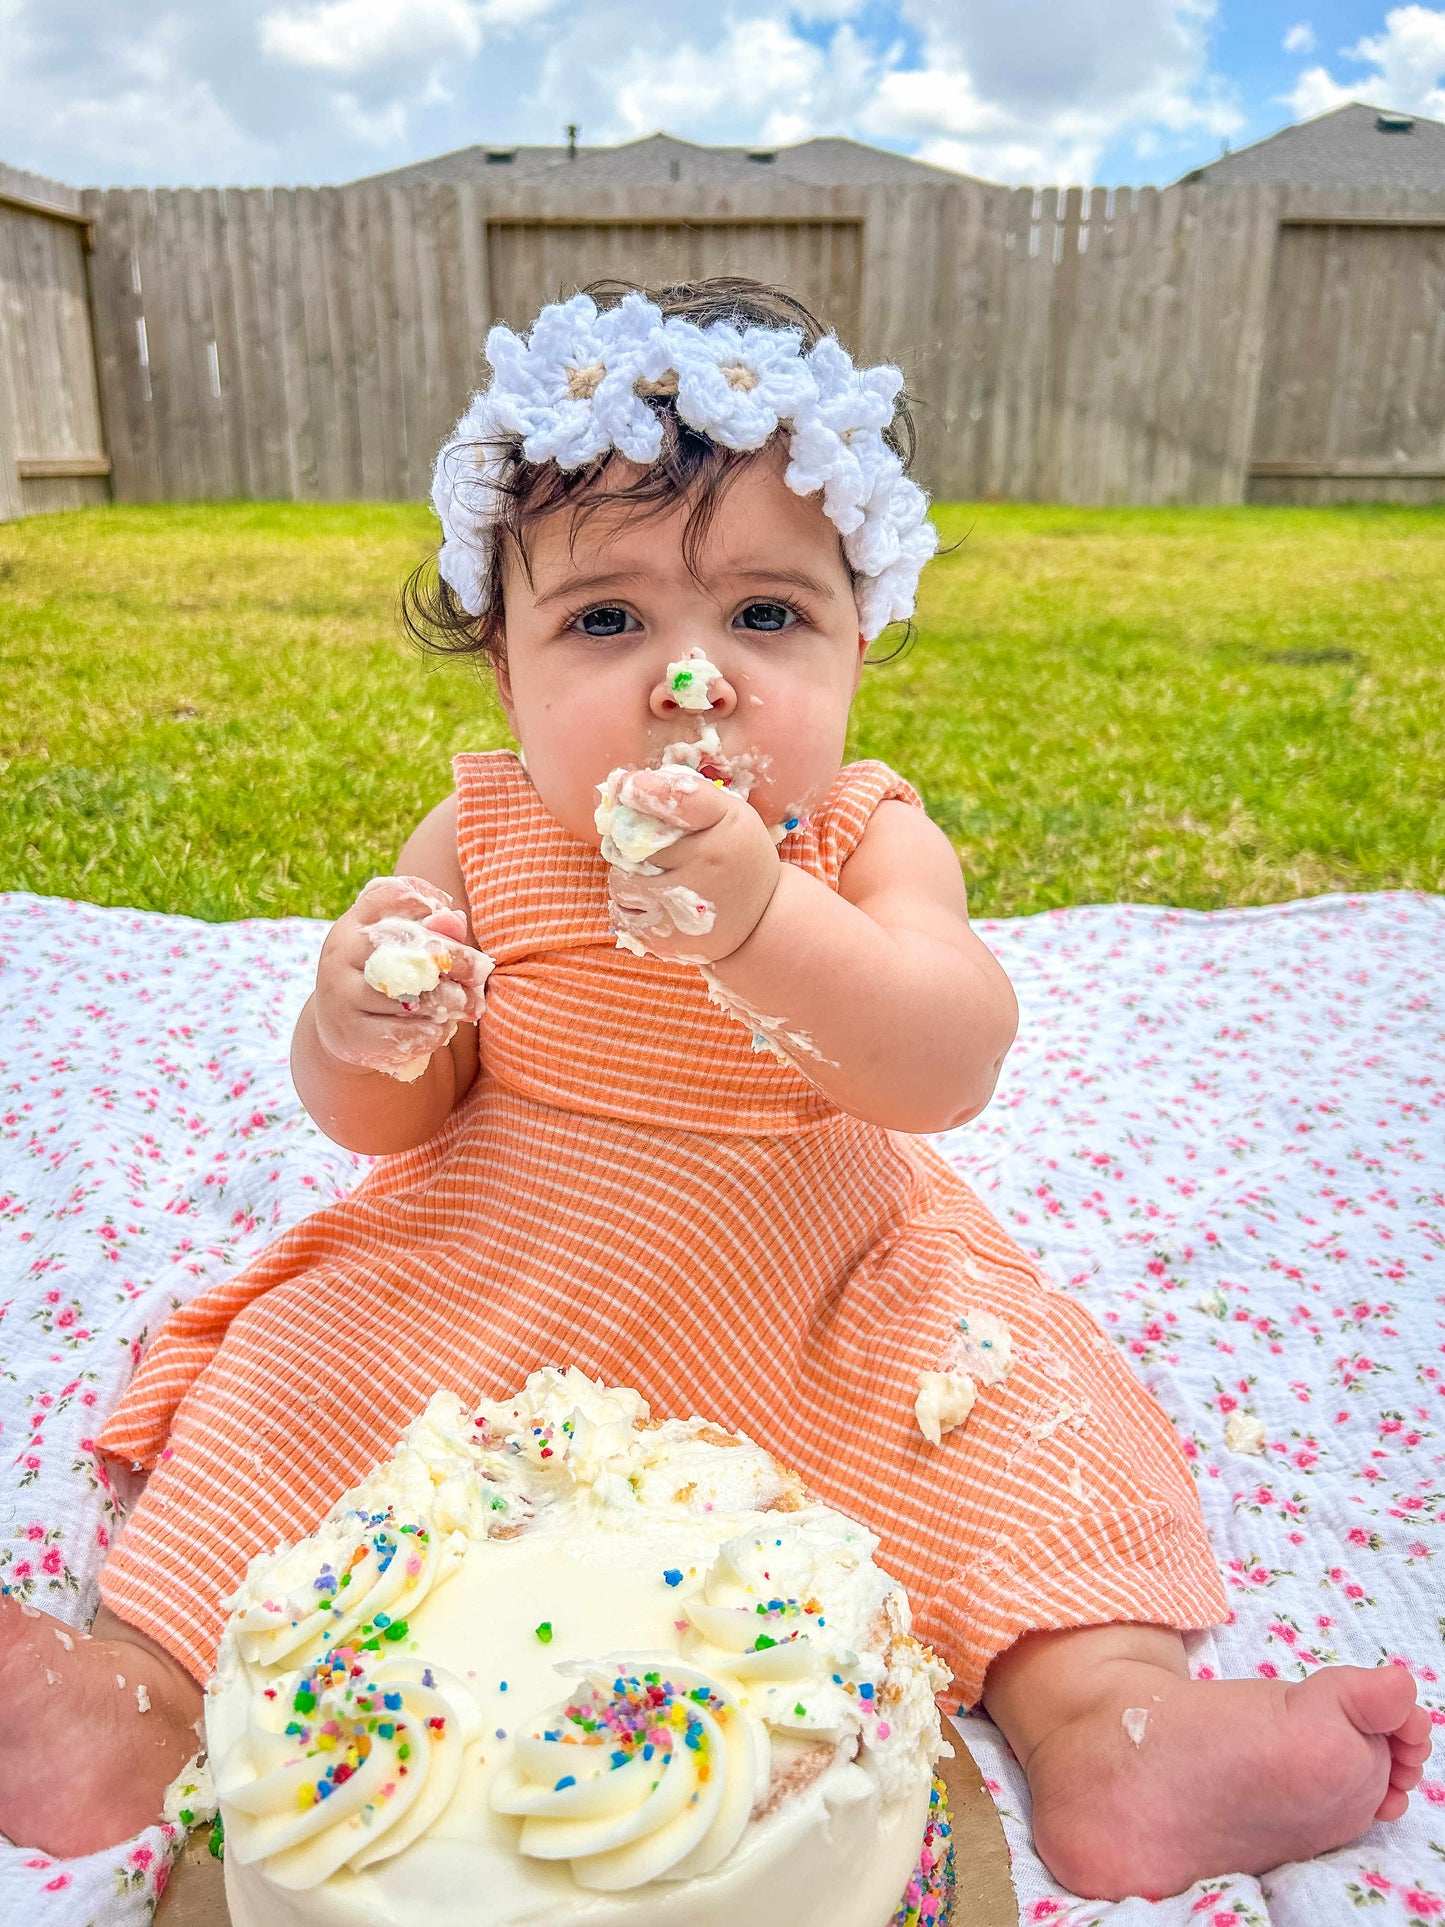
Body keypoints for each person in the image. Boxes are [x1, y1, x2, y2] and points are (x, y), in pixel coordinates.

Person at [0, 278, 1429, 1902]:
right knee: (289, 1396)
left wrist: (768, 923)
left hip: (825, 1288)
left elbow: (945, 1057)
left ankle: (1116, 1729)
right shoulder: (475, 840)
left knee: (1029, 1451)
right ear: (505, 678)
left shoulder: (865, 835)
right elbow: (389, 1121)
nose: (693, 684)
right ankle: (138, 1691)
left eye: (765, 617)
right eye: (607, 623)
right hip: (500, 1270)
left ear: (857, 642)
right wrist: (364, 1026)